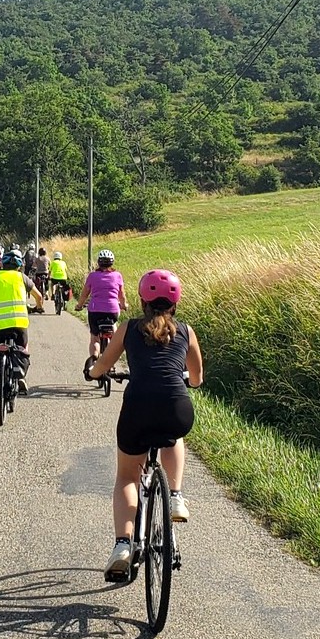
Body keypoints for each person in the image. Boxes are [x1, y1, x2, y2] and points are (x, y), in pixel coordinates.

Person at [85, 269, 204, 581]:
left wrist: (95, 373)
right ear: (176, 302)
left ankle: (123, 546)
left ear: (141, 300)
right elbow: (197, 378)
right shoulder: (186, 331)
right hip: (175, 407)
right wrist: (184, 379)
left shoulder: (128, 329)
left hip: (137, 408)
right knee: (174, 435)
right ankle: (175, 495)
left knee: (127, 476)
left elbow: (103, 366)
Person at [0, 247, 45, 398]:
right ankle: (20, 376)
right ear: (19, 266)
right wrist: (38, 308)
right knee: (23, 346)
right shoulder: (22, 277)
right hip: (19, 324)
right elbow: (39, 297)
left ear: (2, 265)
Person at [74, 248, 128, 360]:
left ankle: (94, 359)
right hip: (113, 310)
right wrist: (123, 305)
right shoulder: (118, 276)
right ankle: (112, 358)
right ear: (112, 262)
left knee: (94, 338)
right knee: (114, 328)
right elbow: (121, 295)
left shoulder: (92, 276)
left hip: (95, 311)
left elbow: (84, 294)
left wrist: (79, 305)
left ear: (98, 262)